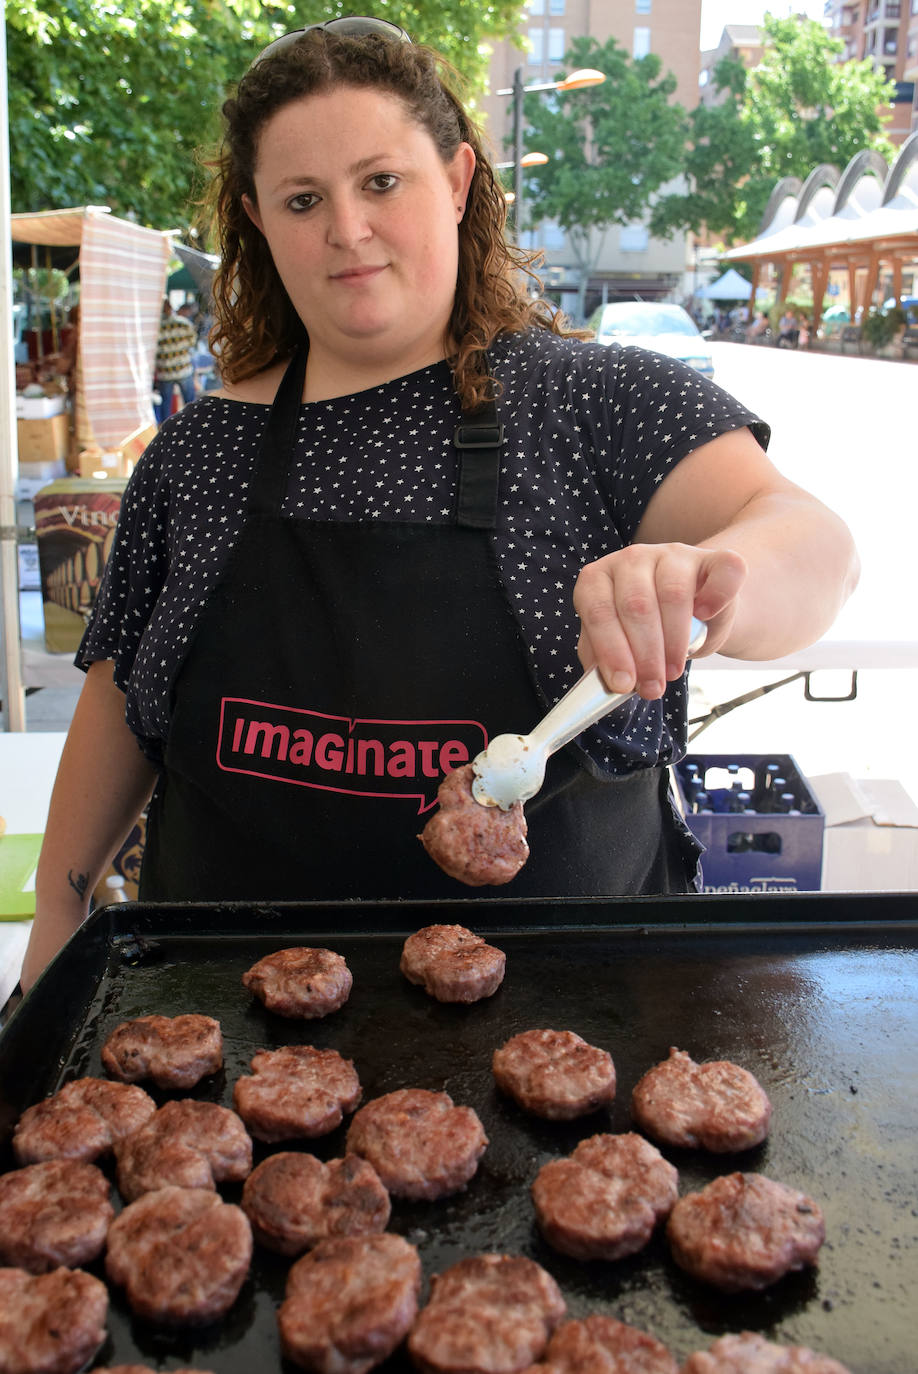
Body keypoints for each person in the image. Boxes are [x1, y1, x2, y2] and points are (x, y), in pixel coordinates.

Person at [20, 17, 859, 990]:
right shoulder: (201, 450)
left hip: (574, 1036)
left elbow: (819, 547)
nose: (347, 229)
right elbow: (125, 690)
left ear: (457, 180)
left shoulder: (603, 405)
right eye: (303, 199)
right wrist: (59, 905)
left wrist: (712, 580)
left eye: (381, 181)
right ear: (257, 218)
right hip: (216, 1046)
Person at [153, 298, 198, 422]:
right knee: (190, 403)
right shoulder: (183, 323)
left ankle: (165, 431)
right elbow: (192, 342)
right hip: (183, 368)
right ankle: (193, 425)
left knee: (165, 407)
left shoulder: (155, 328)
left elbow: (152, 351)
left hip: (164, 372)